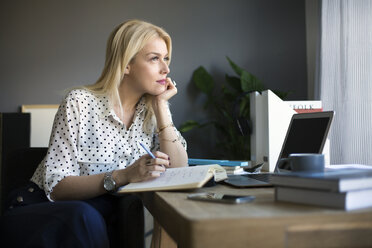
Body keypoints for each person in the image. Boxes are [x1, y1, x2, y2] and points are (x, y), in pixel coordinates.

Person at [0, 19, 188, 248]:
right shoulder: (79, 103)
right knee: (85, 217)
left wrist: (161, 107)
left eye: (166, 58)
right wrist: (123, 175)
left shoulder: (151, 114)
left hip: (99, 216)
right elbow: (56, 186)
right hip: (40, 209)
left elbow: (179, 171)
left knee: (96, 218)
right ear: (126, 64)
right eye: (154, 58)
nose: (166, 69)